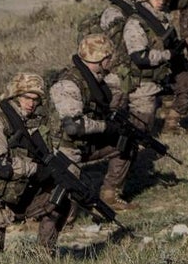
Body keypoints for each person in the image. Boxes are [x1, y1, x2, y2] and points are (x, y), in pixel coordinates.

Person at [0, 74, 69, 256]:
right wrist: (35, 169)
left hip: (16, 196)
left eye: (35, 99)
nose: (31, 103)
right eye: (26, 97)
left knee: (61, 198)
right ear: (14, 96)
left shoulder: (33, 126)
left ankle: (44, 254)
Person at [49, 34, 136, 211]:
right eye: (109, 57)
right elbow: (73, 126)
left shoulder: (97, 79)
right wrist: (106, 127)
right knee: (67, 208)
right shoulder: (69, 84)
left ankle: (110, 195)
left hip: (86, 141)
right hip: (63, 146)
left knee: (126, 142)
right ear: (103, 59)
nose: (112, 61)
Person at [123, 0, 188, 134]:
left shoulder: (162, 19)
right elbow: (139, 57)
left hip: (163, 75)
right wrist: (168, 55)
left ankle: (171, 124)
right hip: (143, 81)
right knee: (141, 130)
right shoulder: (136, 23)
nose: (161, 2)